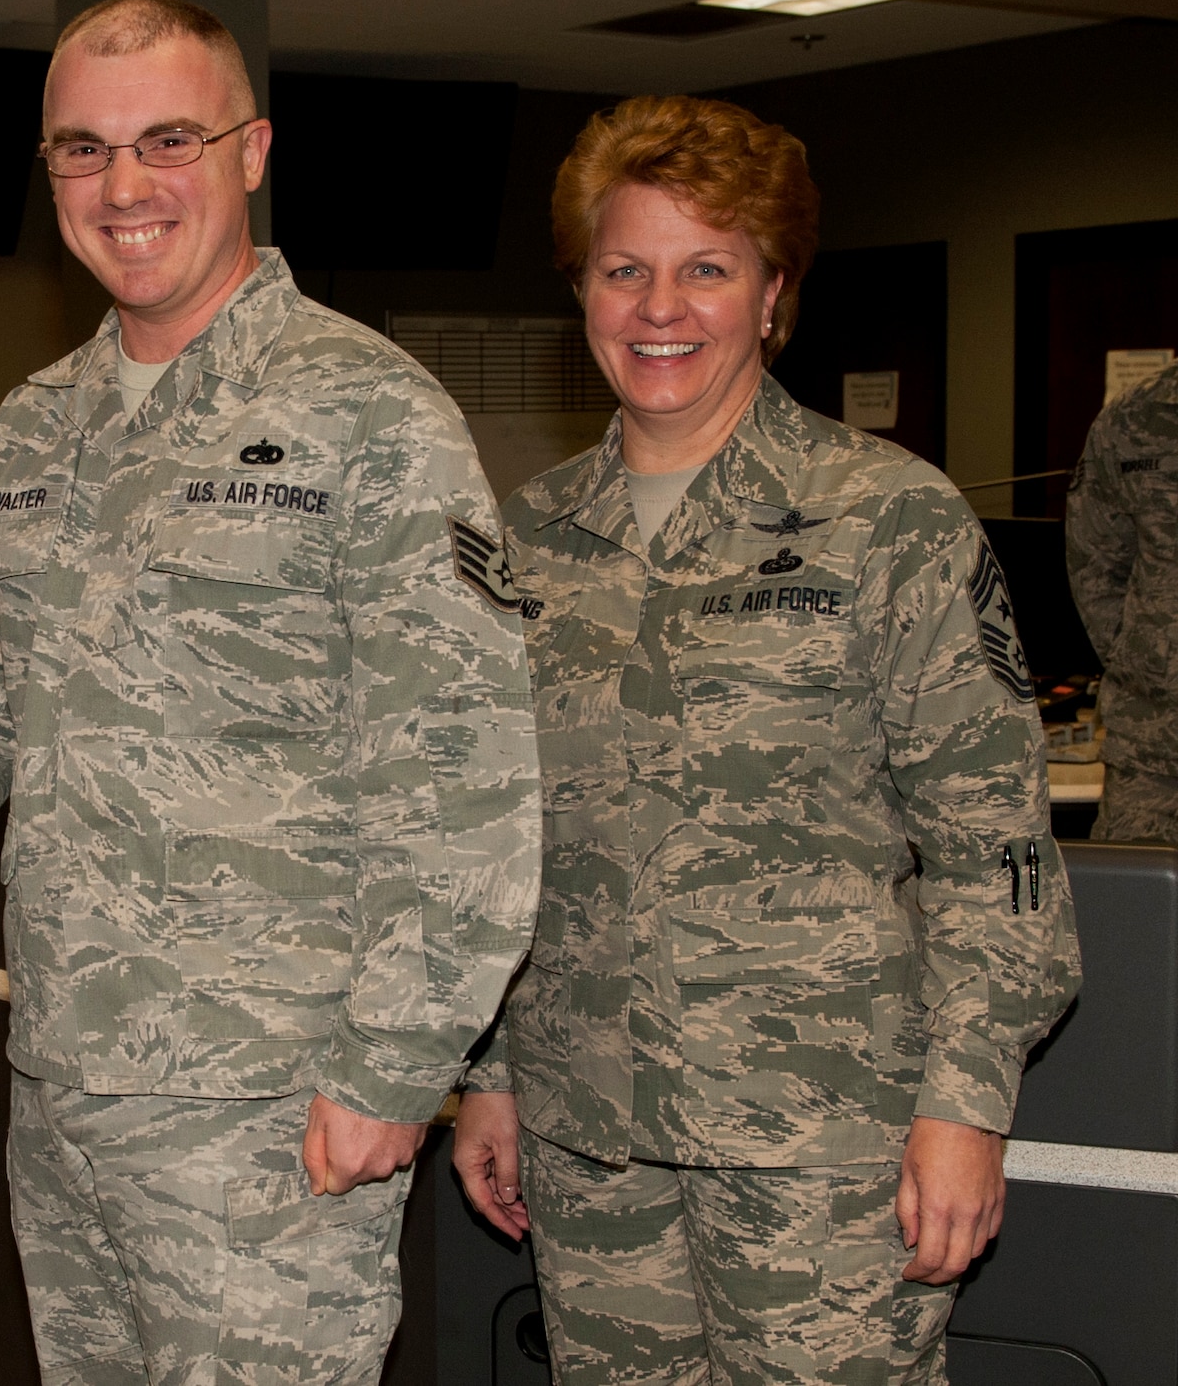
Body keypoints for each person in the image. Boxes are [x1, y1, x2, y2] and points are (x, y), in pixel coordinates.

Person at [0, 0, 541, 1385]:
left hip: (273, 1104)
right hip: (66, 1077)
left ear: (251, 152)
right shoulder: (37, 423)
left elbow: (464, 776)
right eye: (81, 151)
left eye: (167, 141)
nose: (123, 186)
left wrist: (392, 1069)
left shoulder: (366, 413)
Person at [452, 95, 1082, 1385]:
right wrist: (491, 1069)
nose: (658, 308)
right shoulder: (521, 543)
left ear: (773, 291)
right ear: (581, 291)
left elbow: (992, 851)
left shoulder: (886, 520)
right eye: (623, 269)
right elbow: (489, 840)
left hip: (824, 1143)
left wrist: (964, 1106)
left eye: (705, 269)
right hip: (590, 1139)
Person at [1066, 358, 1178, 844]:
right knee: (1134, 909)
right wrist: (1147, 663)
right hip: (1155, 756)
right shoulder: (1136, 417)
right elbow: (1094, 564)